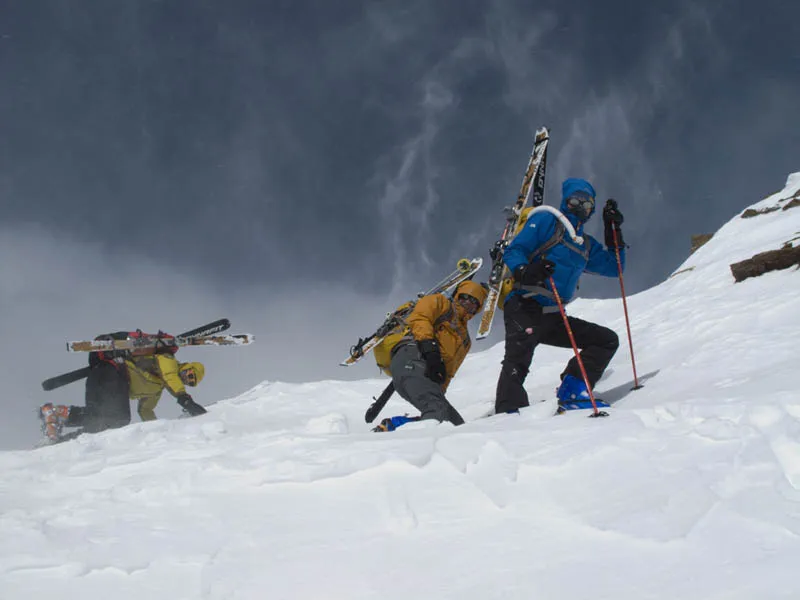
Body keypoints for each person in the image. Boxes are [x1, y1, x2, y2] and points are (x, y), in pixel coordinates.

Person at [494, 177, 626, 414]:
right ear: (566, 200)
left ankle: (573, 390)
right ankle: (507, 414)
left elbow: (615, 268)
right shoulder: (547, 220)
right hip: (525, 304)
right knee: (518, 359)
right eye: (576, 199)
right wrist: (525, 271)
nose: (580, 206)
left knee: (605, 340)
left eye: (587, 204)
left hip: (554, 314)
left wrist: (613, 233)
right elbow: (515, 250)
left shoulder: (584, 244)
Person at [373, 279, 489, 431]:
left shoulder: (465, 340)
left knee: (456, 427)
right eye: (465, 298)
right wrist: (430, 348)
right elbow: (420, 318)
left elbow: (449, 372)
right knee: (438, 413)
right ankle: (397, 434)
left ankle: (394, 426)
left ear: (478, 309)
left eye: (474, 303)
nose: (468, 304)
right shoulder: (441, 302)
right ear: (457, 296)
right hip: (412, 356)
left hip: (425, 375)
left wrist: (440, 390)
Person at [39, 340, 206, 443]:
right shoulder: (168, 360)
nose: (187, 379)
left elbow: (146, 410)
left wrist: (157, 433)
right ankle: (68, 429)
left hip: (100, 378)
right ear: (187, 366)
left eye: (191, 382)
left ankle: (57, 416)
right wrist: (185, 399)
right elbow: (171, 376)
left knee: (102, 418)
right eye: (190, 374)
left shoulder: (157, 388)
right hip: (114, 372)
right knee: (119, 418)